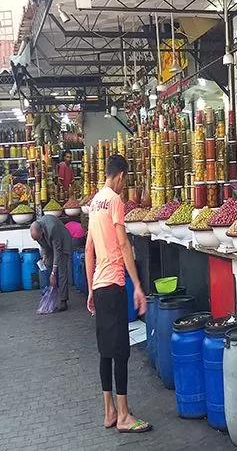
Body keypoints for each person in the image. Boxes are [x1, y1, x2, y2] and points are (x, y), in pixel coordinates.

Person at [85, 155, 150, 434]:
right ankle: (124, 416)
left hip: (99, 285)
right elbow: (123, 243)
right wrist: (137, 285)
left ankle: (109, 411)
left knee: (105, 352)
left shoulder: (94, 203)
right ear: (121, 176)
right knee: (121, 351)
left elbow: (89, 250)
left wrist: (89, 289)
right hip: (113, 284)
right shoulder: (114, 200)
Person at [30, 215, 73, 312]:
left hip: (62, 244)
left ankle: (63, 300)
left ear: (42, 231)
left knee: (62, 271)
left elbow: (57, 251)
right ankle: (50, 295)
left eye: (39, 238)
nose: (38, 240)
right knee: (47, 268)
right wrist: (44, 257)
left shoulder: (52, 228)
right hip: (49, 246)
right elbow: (42, 244)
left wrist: (53, 272)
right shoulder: (36, 230)